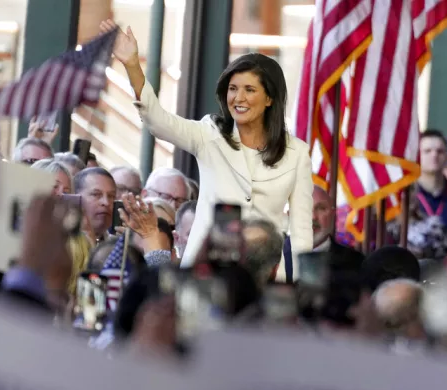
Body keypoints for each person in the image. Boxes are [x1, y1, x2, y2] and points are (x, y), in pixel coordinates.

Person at [101, 20, 313, 277]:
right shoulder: (210, 133)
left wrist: (301, 289)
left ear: (269, 98)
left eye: (249, 90)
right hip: (206, 272)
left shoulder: (297, 152)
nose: (239, 98)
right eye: (233, 89)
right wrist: (133, 66)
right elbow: (158, 122)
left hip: (264, 275)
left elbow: (301, 232)